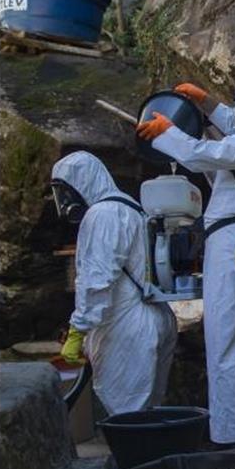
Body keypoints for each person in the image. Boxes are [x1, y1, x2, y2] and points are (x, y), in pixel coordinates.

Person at [136, 73, 235, 447]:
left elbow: (199, 154)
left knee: (227, 337)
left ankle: (228, 433)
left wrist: (166, 132)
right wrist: (207, 103)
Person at [51, 151, 177, 415]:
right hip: (155, 317)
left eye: (65, 192)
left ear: (82, 183)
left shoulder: (102, 214)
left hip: (126, 327)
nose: (64, 202)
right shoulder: (131, 206)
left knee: (128, 415)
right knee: (148, 411)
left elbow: (97, 280)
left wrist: (78, 330)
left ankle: (135, 457)